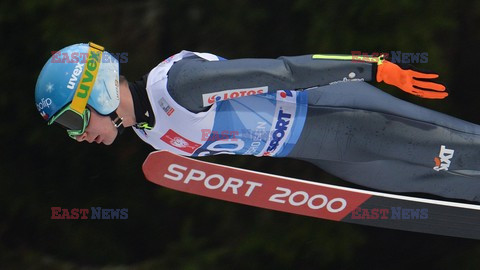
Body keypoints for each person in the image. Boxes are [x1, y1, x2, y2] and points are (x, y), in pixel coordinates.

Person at [35, 42, 480, 203]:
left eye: (74, 118)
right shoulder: (148, 132)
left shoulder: (178, 86)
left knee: (462, 151)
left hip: (339, 116)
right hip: (329, 154)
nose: (78, 135)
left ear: (98, 91)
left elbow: (281, 72)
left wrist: (371, 67)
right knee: (443, 184)